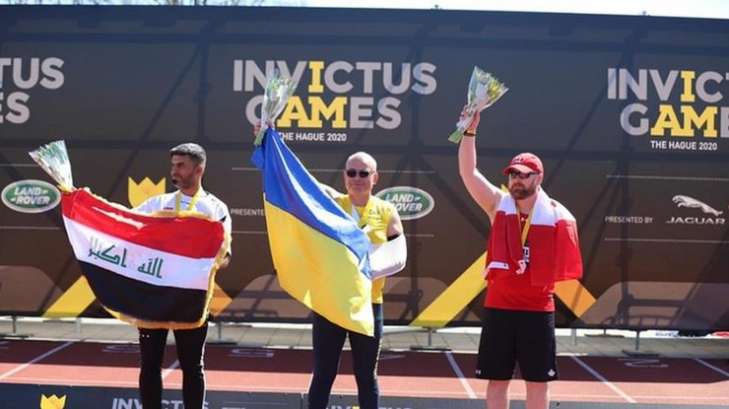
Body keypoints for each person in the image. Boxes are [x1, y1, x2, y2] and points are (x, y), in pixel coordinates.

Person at [457, 110, 582, 409]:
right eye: (513, 174)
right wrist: (469, 133)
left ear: (539, 177)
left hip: (538, 310)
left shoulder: (556, 215)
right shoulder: (497, 205)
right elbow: (468, 173)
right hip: (499, 308)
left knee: (537, 384)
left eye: (524, 175)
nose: (516, 180)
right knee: (497, 382)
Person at [133, 143, 232, 409]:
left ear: (199, 170)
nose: (174, 171)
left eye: (181, 166)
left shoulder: (215, 209)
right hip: (154, 296)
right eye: (173, 165)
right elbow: (121, 226)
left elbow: (225, 257)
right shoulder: (156, 204)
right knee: (150, 364)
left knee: (192, 366)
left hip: (191, 299)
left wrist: (203, 261)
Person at [308, 150, 404, 409]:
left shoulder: (386, 211)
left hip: (368, 305)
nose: (357, 178)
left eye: (364, 173)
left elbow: (399, 256)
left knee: (366, 375)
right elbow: (298, 179)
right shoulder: (331, 203)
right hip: (331, 304)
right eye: (352, 173)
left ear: (375, 177)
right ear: (344, 176)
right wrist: (269, 143)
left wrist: (367, 272)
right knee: (324, 373)